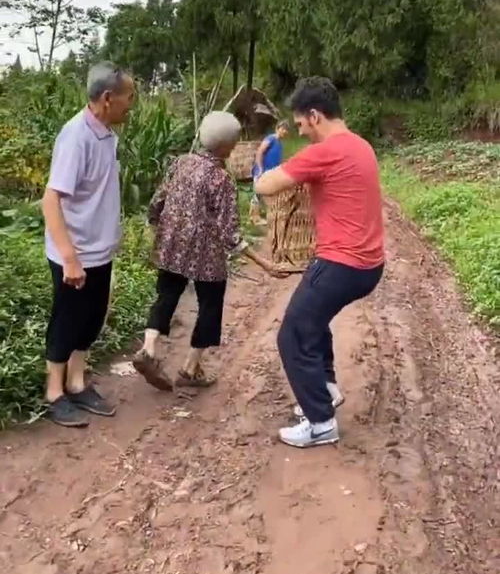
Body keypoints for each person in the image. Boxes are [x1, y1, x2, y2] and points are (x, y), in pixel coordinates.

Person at [255, 77, 384, 449]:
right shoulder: (361, 145)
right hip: (368, 265)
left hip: (342, 264)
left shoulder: (326, 150)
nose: (300, 132)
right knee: (312, 320)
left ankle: (321, 422)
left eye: (300, 124)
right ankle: (325, 388)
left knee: (292, 335)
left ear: (314, 116)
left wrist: (259, 171)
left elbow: (267, 186)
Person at [133, 111, 279, 390]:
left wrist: (159, 230)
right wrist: (263, 263)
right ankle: (189, 369)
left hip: (171, 248)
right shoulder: (222, 179)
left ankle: (149, 350)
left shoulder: (180, 163)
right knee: (209, 307)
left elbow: (157, 202)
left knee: (165, 296)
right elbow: (230, 234)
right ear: (228, 146)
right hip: (206, 258)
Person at [42, 62, 136, 428]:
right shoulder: (76, 136)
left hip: (98, 250)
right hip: (75, 253)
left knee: (91, 320)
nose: (131, 104)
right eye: (129, 97)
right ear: (108, 98)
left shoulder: (106, 134)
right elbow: (51, 200)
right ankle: (54, 393)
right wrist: (69, 258)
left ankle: (77, 383)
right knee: (66, 321)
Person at [249, 120, 289, 225]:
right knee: (258, 193)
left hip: (271, 172)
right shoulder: (271, 138)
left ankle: (262, 215)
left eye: (286, 130)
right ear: (277, 128)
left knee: (268, 194)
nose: (284, 131)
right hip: (262, 170)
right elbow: (260, 151)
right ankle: (254, 218)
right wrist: (260, 168)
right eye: (282, 129)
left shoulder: (280, 144)